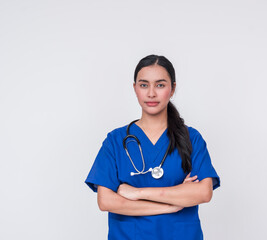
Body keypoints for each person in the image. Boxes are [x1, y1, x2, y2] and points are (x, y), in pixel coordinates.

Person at [85, 54, 220, 240]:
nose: (151, 93)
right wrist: (170, 205)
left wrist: (137, 193)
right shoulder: (115, 141)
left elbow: (203, 192)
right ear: (135, 88)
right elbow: (106, 201)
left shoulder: (191, 138)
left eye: (160, 85)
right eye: (143, 85)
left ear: (172, 89)